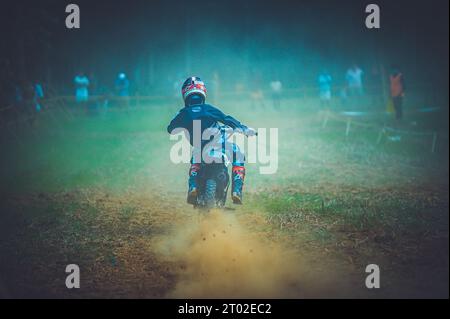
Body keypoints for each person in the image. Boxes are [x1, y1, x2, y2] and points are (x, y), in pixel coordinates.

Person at [167, 76, 256, 205]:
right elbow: (227, 119)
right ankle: (237, 190)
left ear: (185, 94)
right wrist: (244, 129)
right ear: (203, 93)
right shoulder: (208, 108)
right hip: (218, 145)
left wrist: (183, 126)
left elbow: (170, 128)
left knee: (195, 161)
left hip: (200, 148)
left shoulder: (183, 113)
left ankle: (193, 187)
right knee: (238, 154)